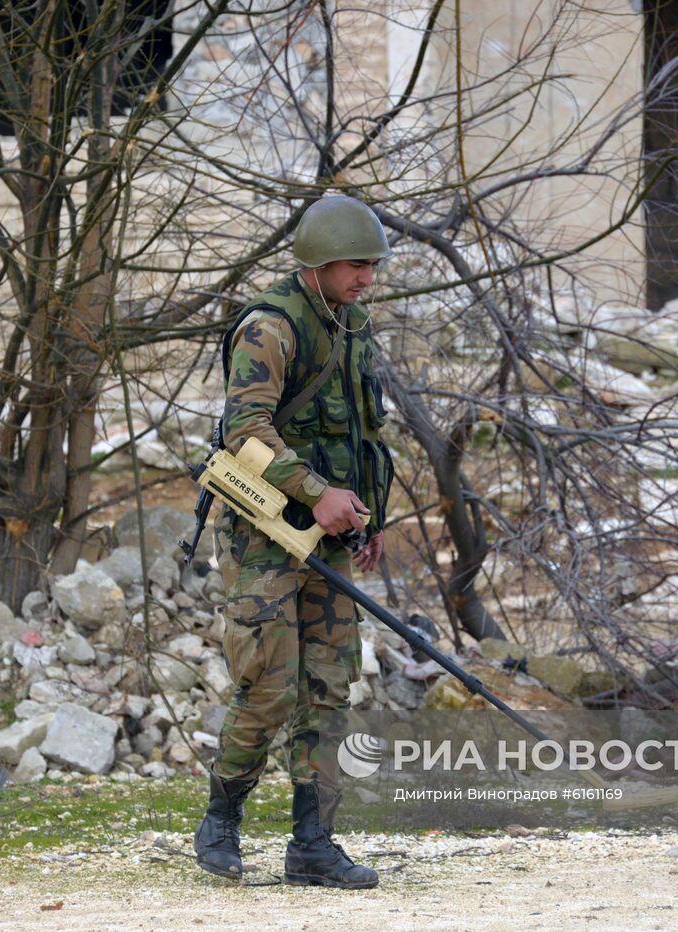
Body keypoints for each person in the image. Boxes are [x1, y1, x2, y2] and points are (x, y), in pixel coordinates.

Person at [192, 195, 395, 889]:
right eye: (355, 266)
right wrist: (316, 493)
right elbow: (244, 434)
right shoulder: (269, 327)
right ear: (318, 265)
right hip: (266, 539)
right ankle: (221, 822)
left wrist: (370, 519)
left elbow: (364, 435)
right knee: (267, 686)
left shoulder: (353, 324)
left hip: (333, 538)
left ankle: (314, 843)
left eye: (372, 265)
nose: (367, 277)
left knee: (328, 690)